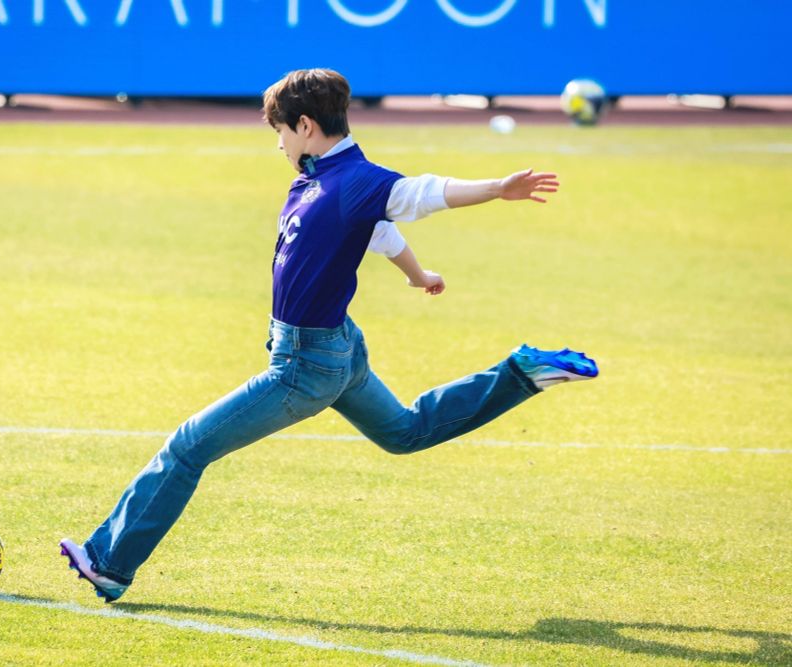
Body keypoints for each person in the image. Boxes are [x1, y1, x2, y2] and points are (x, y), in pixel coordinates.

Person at [60, 69, 598, 601]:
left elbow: (423, 193)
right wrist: (419, 275)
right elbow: (382, 233)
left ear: (306, 125)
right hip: (336, 346)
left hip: (304, 367)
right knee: (406, 432)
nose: (278, 144)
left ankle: (110, 563)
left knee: (185, 449)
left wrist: (497, 189)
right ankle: (522, 374)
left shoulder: (358, 179)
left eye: (280, 132)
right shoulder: (321, 179)